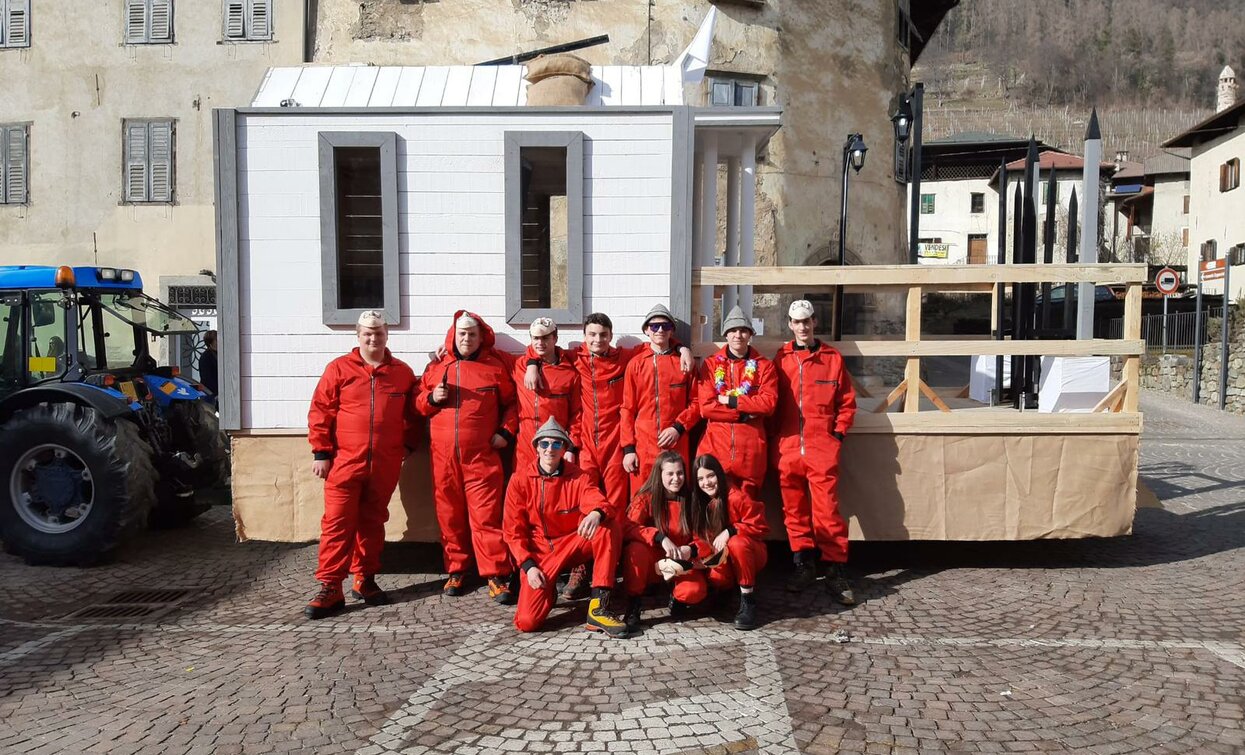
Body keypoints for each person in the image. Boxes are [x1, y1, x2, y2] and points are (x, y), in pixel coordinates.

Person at [554, 310, 693, 602]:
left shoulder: (627, 357)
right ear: (584, 337)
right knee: (585, 502)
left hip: (617, 443)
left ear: (611, 337)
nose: (598, 340)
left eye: (603, 335)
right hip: (592, 445)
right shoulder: (573, 358)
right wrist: (530, 362)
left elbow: (655, 345)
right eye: (592, 335)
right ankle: (582, 568)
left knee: (618, 509)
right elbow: (543, 350)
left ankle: (622, 567)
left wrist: (683, 347)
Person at [304, 311, 418, 619]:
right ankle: (330, 586)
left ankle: (364, 579)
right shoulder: (339, 369)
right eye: (368, 333)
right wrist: (321, 453)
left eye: (378, 333)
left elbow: (415, 414)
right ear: (358, 335)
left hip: (384, 463)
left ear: (386, 335)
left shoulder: (402, 373)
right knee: (337, 524)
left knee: (372, 522)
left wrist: (406, 445)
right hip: (344, 462)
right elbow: (321, 411)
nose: (373, 338)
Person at [417, 311, 518, 602]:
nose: (466, 339)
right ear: (453, 335)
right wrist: (431, 399)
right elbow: (417, 404)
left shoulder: (495, 366)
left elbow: (513, 405)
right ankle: (457, 570)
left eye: (472, 334)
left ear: (481, 337)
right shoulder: (437, 368)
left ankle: (496, 574)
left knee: (486, 517)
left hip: (482, 457)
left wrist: (506, 433)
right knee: (450, 516)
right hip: (444, 458)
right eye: (461, 333)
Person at [502, 417, 632, 638]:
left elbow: (598, 499)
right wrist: (529, 566)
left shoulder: (578, 476)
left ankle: (598, 607)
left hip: (572, 544)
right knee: (527, 621)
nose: (549, 449)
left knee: (607, 527)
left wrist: (596, 513)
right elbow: (512, 532)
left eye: (556, 444)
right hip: (540, 552)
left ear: (564, 448)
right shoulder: (520, 480)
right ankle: (548, 591)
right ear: (536, 448)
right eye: (544, 444)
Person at [772, 299, 858, 605]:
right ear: (790, 325)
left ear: (815, 323)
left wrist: (837, 434)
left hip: (822, 447)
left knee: (827, 512)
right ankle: (803, 565)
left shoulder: (832, 358)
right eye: (797, 322)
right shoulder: (780, 358)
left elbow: (847, 401)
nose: (803, 327)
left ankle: (835, 570)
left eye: (807, 321)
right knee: (793, 511)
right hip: (788, 448)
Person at [696, 305, 777, 499]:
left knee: (748, 508)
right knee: (715, 507)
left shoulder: (764, 366)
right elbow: (706, 408)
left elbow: (768, 404)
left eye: (743, 330)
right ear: (726, 334)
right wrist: (743, 414)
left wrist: (730, 401)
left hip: (751, 453)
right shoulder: (711, 364)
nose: (738, 335)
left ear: (750, 334)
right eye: (733, 330)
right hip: (716, 448)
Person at [621, 303, 701, 492]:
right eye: (654, 326)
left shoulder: (684, 364)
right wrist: (629, 449)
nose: (660, 330)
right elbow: (627, 409)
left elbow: (697, 402)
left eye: (665, 326)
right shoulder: (635, 364)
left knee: (675, 501)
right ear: (646, 330)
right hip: (644, 446)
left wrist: (678, 428)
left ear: (672, 330)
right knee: (642, 500)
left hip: (676, 444)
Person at [618, 451, 702, 631]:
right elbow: (628, 528)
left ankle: (678, 598)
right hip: (653, 562)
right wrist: (659, 537)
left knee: (694, 591)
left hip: (681, 562)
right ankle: (634, 604)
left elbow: (703, 537)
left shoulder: (692, 499)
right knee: (635, 550)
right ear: (659, 474)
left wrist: (691, 549)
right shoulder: (645, 497)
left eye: (679, 473)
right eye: (670, 474)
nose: (676, 479)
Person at [688, 454, 769, 630]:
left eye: (710, 476)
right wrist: (694, 553)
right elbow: (700, 539)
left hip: (751, 552)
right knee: (717, 575)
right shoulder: (698, 503)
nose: (707, 483)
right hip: (721, 557)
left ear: (719, 474)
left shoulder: (737, 497)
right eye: (700, 479)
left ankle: (748, 600)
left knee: (736, 543)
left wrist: (731, 530)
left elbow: (760, 526)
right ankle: (726, 590)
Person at [513, 318, 582, 474]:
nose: (540, 342)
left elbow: (577, 414)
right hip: (526, 443)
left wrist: (572, 446)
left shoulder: (570, 373)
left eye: (545, 338)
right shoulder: (519, 365)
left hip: (555, 444)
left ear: (555, 338)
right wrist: (448, 348)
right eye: (535, 338)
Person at [199, 330, 219, 400]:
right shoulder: (206, 356)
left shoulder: (220, 353)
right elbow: (206, 378)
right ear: (210, 343)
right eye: (216, 340)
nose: (219, 341)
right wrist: (216, 393)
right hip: (211, 394)